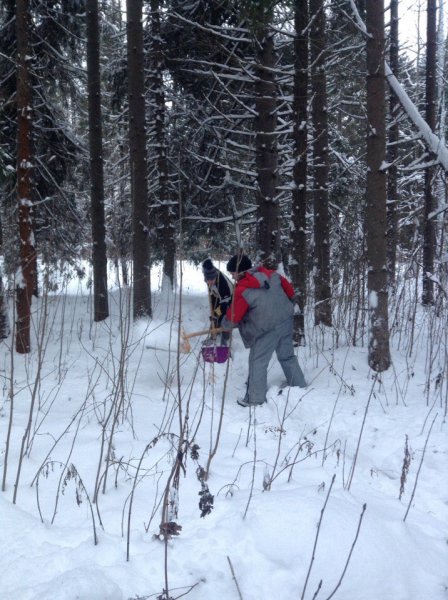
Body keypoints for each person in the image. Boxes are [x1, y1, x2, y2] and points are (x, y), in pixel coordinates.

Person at [221, 254, 306, 407]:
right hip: (286, 321)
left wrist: (225, 324)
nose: (232, 277)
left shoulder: (242, 289)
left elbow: (234, 316)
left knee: (257, 362)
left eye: (233, 273)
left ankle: (255, 400)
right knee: (287, 356)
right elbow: (291, 293)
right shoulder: (272, 275)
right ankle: (299, 385)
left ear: (240, 271)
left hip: (266, 330)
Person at [202, 258, 233, 346]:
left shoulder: (223, 284)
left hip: (230, 299)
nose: (210, 282)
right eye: (208, 280)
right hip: (219, 298)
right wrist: (214, 312)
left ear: (215, 277)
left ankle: (225, 341)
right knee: (214, 316)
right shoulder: (209, 277)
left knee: (224, 318)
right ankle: (213, 337)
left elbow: (224, 306)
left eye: (212, 280)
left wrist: (216, 314)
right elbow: (212, 296)